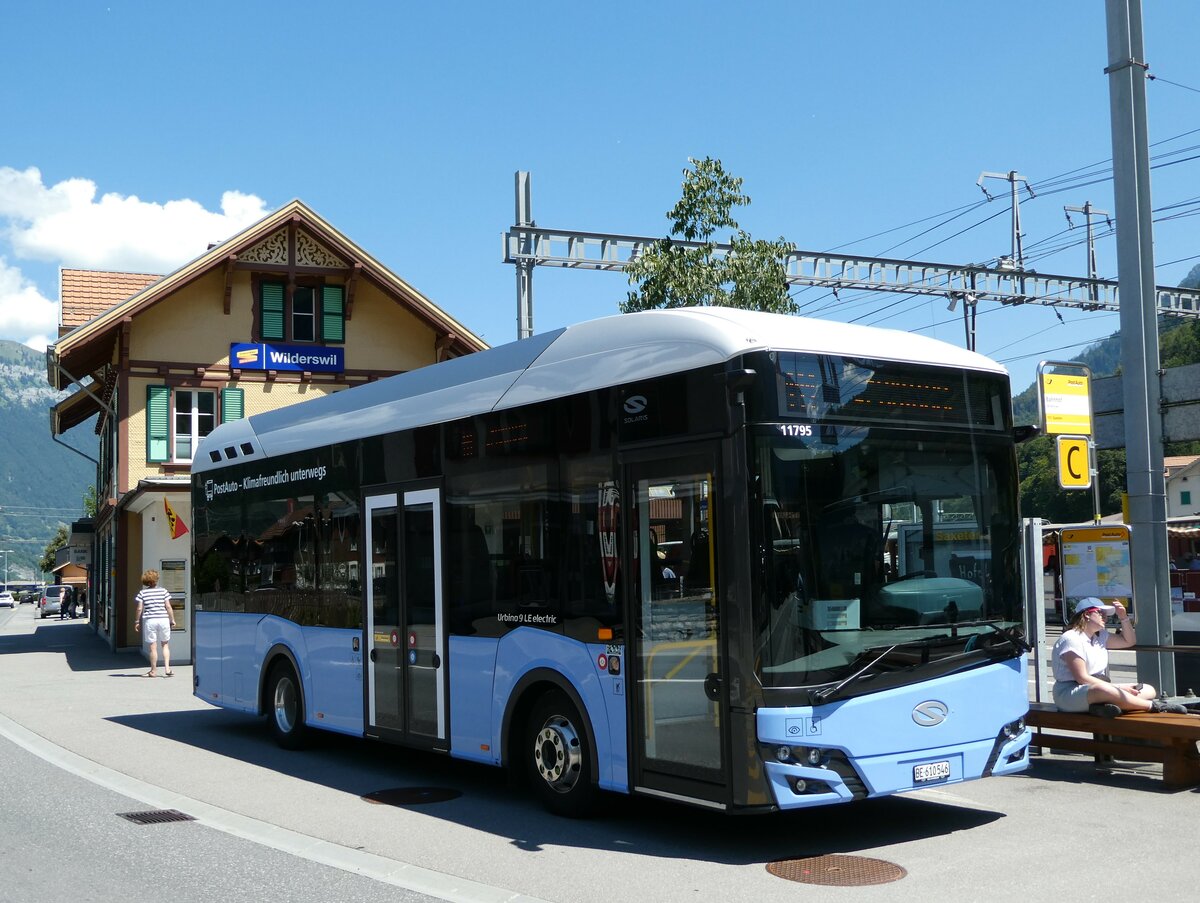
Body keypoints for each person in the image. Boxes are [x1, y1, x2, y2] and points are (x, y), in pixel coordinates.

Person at [1052, 597, 1192, 716]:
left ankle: (1105, 705)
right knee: (1104, 690)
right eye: (1100, 613)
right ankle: (1156, 707)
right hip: (1070, 692)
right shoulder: (1071, 638)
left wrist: (1123, 617)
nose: (1105, 617)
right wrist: (1118, 688)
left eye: (1106, 614)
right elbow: (1082, 678)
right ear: (1087, 614)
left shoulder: (1100, 637)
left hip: (1099, 687)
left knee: (1148, 689)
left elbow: (1129, 641)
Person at [133, 569, 177, 677]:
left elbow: (139, 609)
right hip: (163, 619)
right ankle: (167, 668)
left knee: (153, 647)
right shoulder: (163, 591)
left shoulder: (142, 593)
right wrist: (172, 620)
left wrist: (136, 621)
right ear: (156, 580)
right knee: (165, 644)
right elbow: (168, 606)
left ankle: (153, 671)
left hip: (150, 620)